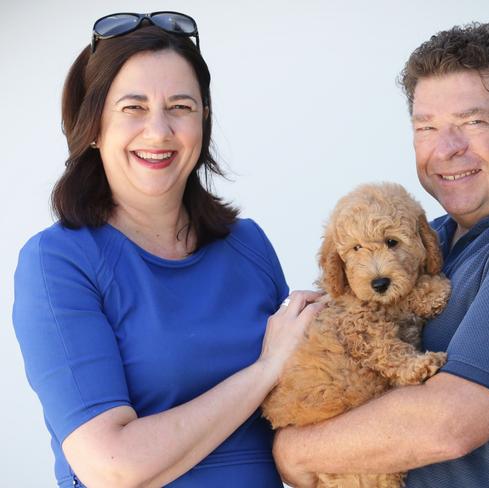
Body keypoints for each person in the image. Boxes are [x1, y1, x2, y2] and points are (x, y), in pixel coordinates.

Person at [273, 22, 489, 488]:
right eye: (427, 127)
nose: (447, 149)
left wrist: (292, 449)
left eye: (474, 122)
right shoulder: (428, 239)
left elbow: (446, 424)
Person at [12, 12, 323, 488]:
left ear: (203, 121)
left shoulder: (249, 244)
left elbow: (302, 407)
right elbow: (112, 467)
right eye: (132, 108)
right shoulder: (57, 264)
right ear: (93, 126)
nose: (159, 131)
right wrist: (265, 370)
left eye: (180, 106)